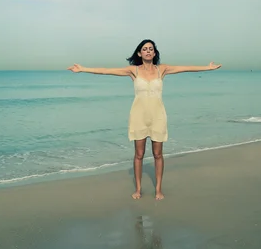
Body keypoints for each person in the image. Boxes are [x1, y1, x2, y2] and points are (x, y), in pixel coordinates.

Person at [68, 39, 221, 200]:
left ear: (154, 53)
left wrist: (207, 67)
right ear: (140, 53)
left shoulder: (161, 69)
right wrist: (83, 69)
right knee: (139, 154)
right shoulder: (133, 71)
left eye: (151, 49)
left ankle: (158, 190)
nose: (148, 51)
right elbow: (107, 71)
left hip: (158, 117)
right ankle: (138, 189)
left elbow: (186, 68)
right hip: (138, 117)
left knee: (158, 154)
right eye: (145, 49)